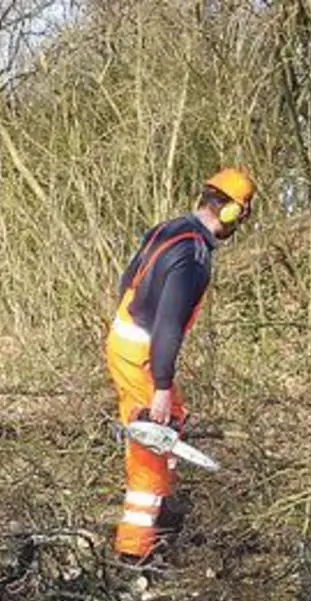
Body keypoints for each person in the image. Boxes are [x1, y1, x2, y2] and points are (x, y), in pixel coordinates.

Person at [105, 167, 256, 561]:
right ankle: (134, 552)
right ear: (231, 212)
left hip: (125, 338)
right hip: (144, 351)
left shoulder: (170, 228)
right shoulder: (193, 256)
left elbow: (127, 282)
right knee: (151, 446)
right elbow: (169, 324)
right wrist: (160, 384)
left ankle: (164, 510)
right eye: (240, 216)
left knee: (174, 416)